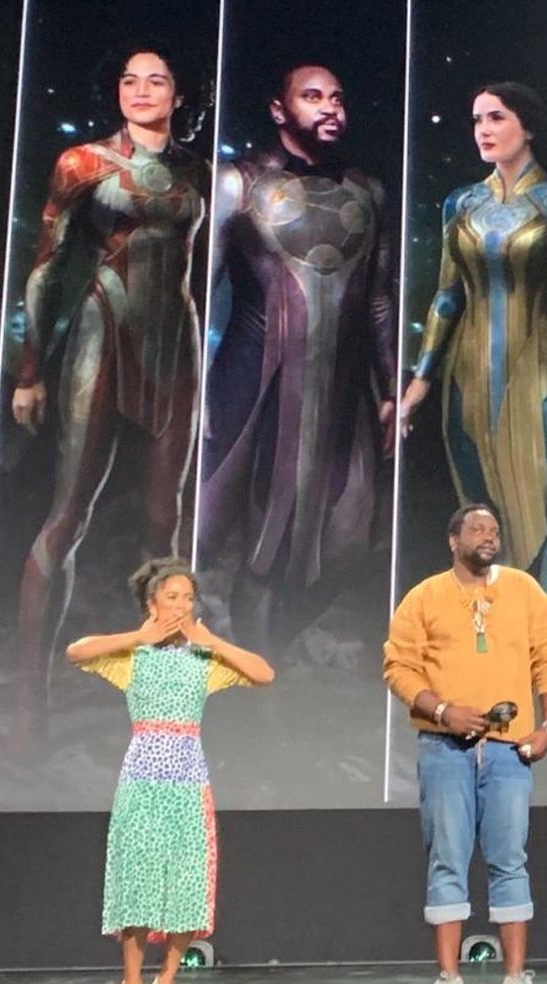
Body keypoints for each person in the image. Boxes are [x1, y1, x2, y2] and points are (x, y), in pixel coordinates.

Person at [13, 43, 210, 706]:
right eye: (130, 80)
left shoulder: (198, 171)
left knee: (163, 521)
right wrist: (30, 371)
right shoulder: (83, 162)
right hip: (102, 336)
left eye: (156, 80)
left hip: (175, 347)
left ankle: (162, 689)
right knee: (68, 511)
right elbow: (47, 265)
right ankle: (29, 696)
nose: (141, 90)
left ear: (178, 94)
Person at [200, 62, 398, 655]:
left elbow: (379, 298)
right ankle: (250, 685)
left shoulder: (367, 190)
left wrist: (392, 388)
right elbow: (199, 290)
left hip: (341, 391)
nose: (330, 107)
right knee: (248, 535)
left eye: (337, 97)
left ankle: (265, 661)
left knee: (347, 541)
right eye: (313, 97)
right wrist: (192, 385)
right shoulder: (238, 183)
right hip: (252, 377)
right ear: (279, 109)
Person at [401, 83, 547, 628]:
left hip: (542, 368)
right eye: (477, 118)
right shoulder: (461, 203)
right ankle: (487, 646)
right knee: (479, 520)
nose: (483, 129)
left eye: (496, 117)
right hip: (466, 377)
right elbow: (446, 295)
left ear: (528, 126)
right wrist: (421, 378)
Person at [66, 559, 273, 984]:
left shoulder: (203, 660)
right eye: (172, 597)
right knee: (138, 884)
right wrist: (138, 636)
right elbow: (76, 651)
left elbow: (264, 675)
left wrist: (213, 641)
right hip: (141, 781)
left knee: (187, 884)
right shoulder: (133, 657)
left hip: (188, 781)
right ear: (151, 603)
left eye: (188, 598)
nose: (181, 606)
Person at [384, 504, 547, 984]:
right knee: (447, 857)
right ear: (453, 540)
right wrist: (445, 711)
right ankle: (449, 981)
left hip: (509, 751)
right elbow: (399, 668)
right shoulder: (425, 597)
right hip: (444, 749)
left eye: (494, 529)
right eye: (477, 529)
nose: (489, 536)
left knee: (510, 859)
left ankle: (515, 981)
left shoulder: (524, 590)